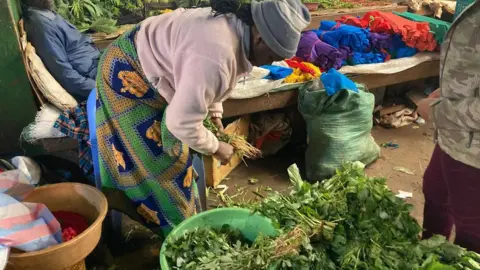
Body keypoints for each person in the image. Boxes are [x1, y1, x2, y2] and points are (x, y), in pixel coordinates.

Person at [95, 0, 310, 235]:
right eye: (272, 56)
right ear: (260, 39)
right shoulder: (216, 54)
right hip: (127, 76)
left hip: (155, 70)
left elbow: (213, 79)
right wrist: (217, 147)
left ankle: (183, 220)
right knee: (164, 166)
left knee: (179, 153)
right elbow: (181, 121)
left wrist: (215, 114)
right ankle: (178, 230)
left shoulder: (237, 30)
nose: (270, 63)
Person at [418, 0, 480, 252]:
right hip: (456, 137)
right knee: (435, 190)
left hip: (473, 150)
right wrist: (449, 89)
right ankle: (429, 254)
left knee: (471, 231)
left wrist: (437, 112)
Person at [22, 0, 100, 101]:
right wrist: (99, 89)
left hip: (97, 62)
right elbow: (65, 75)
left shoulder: (44, 12)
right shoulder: (41, 25)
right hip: (92, 74)